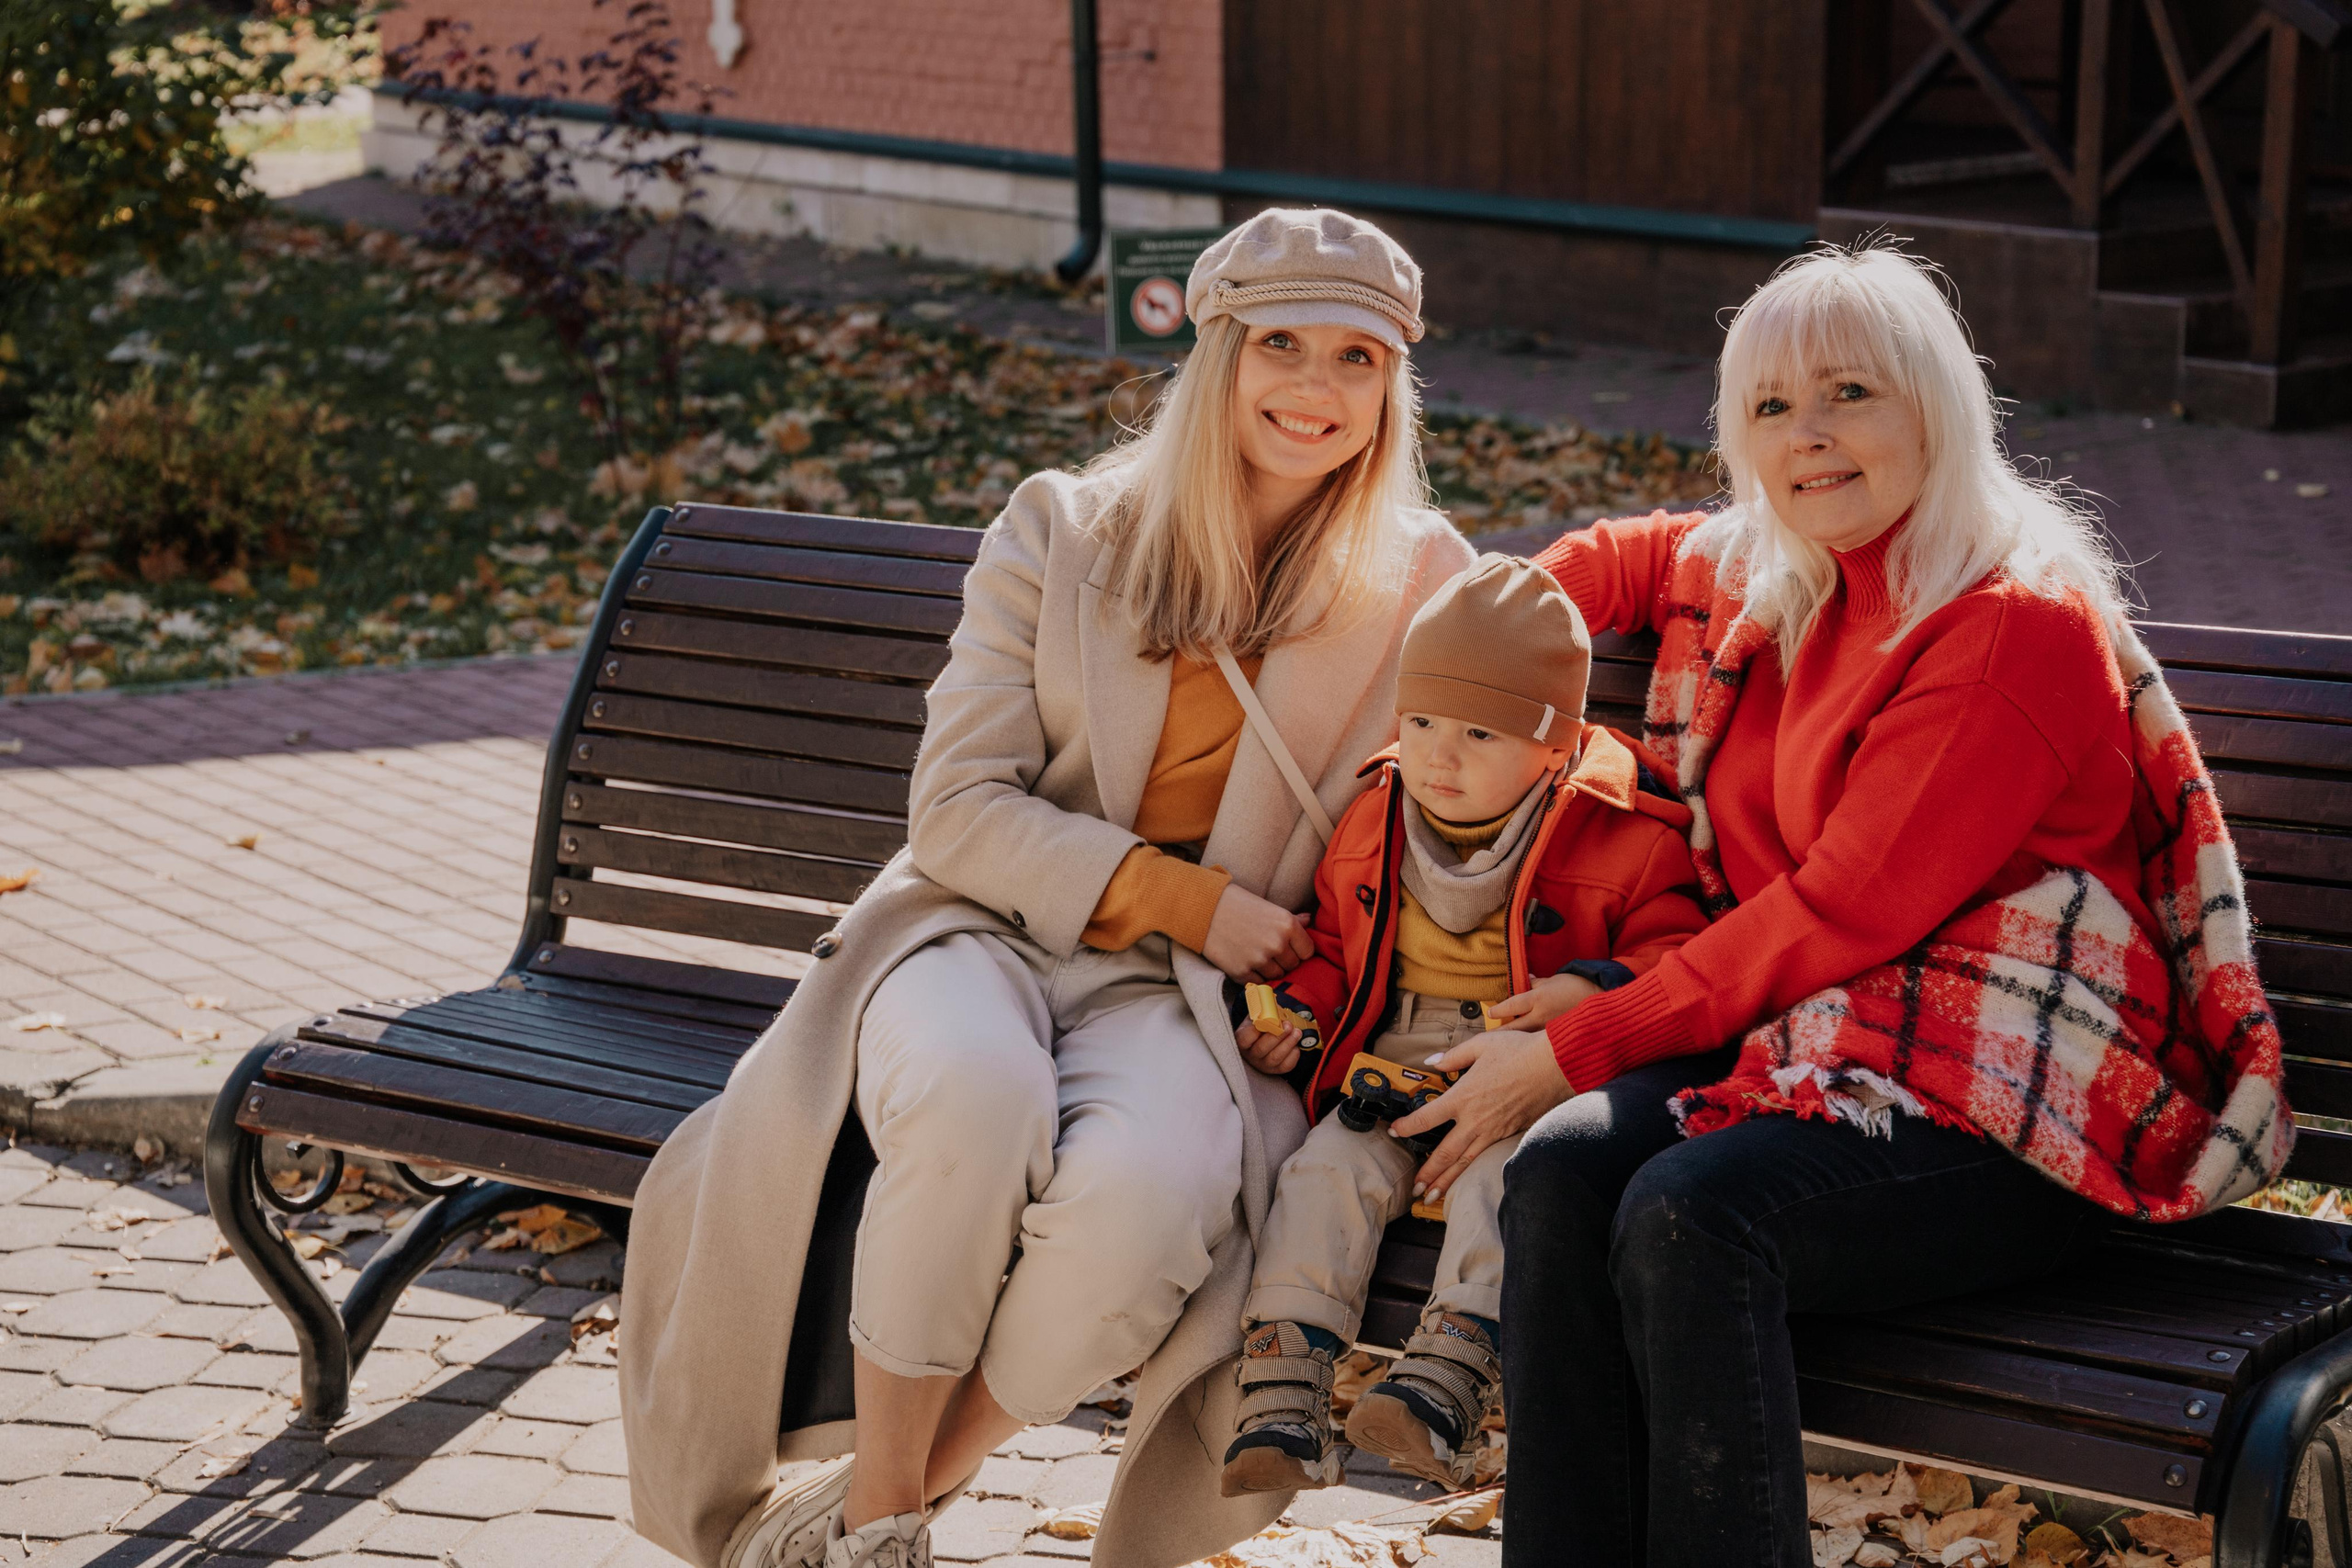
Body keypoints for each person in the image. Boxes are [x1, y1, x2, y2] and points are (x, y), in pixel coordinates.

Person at [1367, 243, 2292, 1564]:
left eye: (1849, 393)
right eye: (1770, 408)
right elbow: (1629, 557)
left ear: (1934, 403)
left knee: (1698, 1212)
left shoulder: (2007, 624)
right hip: (1824, 1039)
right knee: (1565, 1169)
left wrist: (1577, 1039)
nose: (1808, 437)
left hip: (2022, 1096)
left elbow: (1834, 911)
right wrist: (1502, 630)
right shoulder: (1776, 570)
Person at [617, 207, 1476, 1568]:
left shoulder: (1427, 581)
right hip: (981, 930)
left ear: (1395, 385)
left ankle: (875, 1509)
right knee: (973, 1098)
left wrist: (1313, 993)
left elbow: (1422, 836)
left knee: (1153, 1196)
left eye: (1359, 361)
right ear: (1218, 355)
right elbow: (956, 807)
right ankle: (888, 1531)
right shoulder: (1066, 529)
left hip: (1196, 1003)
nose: (1318, 390)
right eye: (1285, 347)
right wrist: (1189, 897)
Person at [1215, 554, 1706, 1497]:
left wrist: (1591, 986)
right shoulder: (1375, 813)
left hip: (1522, 1069)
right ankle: (1282, 1391)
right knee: (1324, 1173)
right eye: (1423, 721)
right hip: (1389, 1063)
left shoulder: (1626, 834)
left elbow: (1678, 958)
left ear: (1553, 743)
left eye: (1478, 732)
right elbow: (1331, 947)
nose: (1437, 755)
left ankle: (1441, 1382)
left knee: (1503, 1182)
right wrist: (1301, 1023)